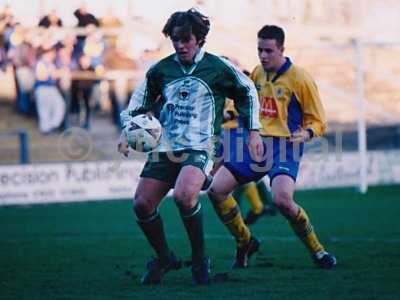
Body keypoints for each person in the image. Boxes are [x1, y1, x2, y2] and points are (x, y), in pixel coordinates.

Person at [118, 9, 263, 285]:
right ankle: (164, 258)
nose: (180, 45)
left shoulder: (218, 67)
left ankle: (199, 259)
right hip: (166, 146)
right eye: (175, 39)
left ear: (199, 39)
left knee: (185, 195)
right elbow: (137, 104)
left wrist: (253, 131)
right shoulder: (160, 70)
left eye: (186, 39)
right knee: (141, 204)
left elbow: (247, 91)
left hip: (202, 146)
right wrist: (128, 131)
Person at [207, 25, 337, 269]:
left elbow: (318, 119)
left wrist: (308, 132)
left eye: (268, 50)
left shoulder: (300, 78)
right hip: (255, 143)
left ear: (282, 49)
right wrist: (232, 114)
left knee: (282, 200)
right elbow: (250, 104)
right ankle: (245, 241)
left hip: (285, 146)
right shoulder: (257, 73)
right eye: (259, 50)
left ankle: (318, 251)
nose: (263, 56)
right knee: (216, 190)